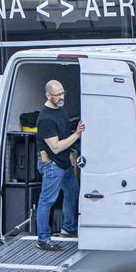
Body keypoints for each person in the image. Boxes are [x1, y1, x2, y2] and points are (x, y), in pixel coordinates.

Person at [35, 79, 84, 250]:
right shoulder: (45, 119)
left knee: (72, 191)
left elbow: (64, 133)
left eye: (63, 93)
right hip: (52, 165)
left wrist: (71, 152)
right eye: (57, 95)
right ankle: (43, 239)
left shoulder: (61, 109)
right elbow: (55, 147)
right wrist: (77, 134)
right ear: (48, 95)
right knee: (47, 200)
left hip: (64, 162)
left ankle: (69, 229)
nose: (62, 97)